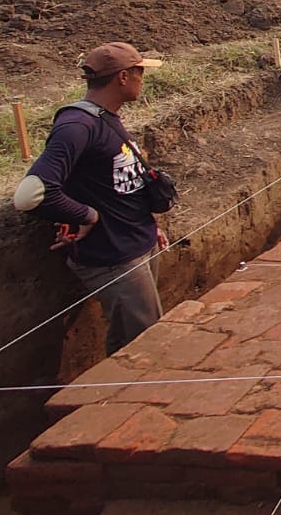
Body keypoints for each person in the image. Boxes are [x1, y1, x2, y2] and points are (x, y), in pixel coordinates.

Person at [13, 42, 172, 354]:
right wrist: (88, 216)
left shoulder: (105, 117)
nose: (143, 79)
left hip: (135, 242)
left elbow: (115, 183)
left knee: (131, 340)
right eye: (140, 72)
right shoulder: (77, 126)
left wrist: (148, 225)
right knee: (142, 347)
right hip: (113, 256)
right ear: (123, 77)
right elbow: (30, 194)